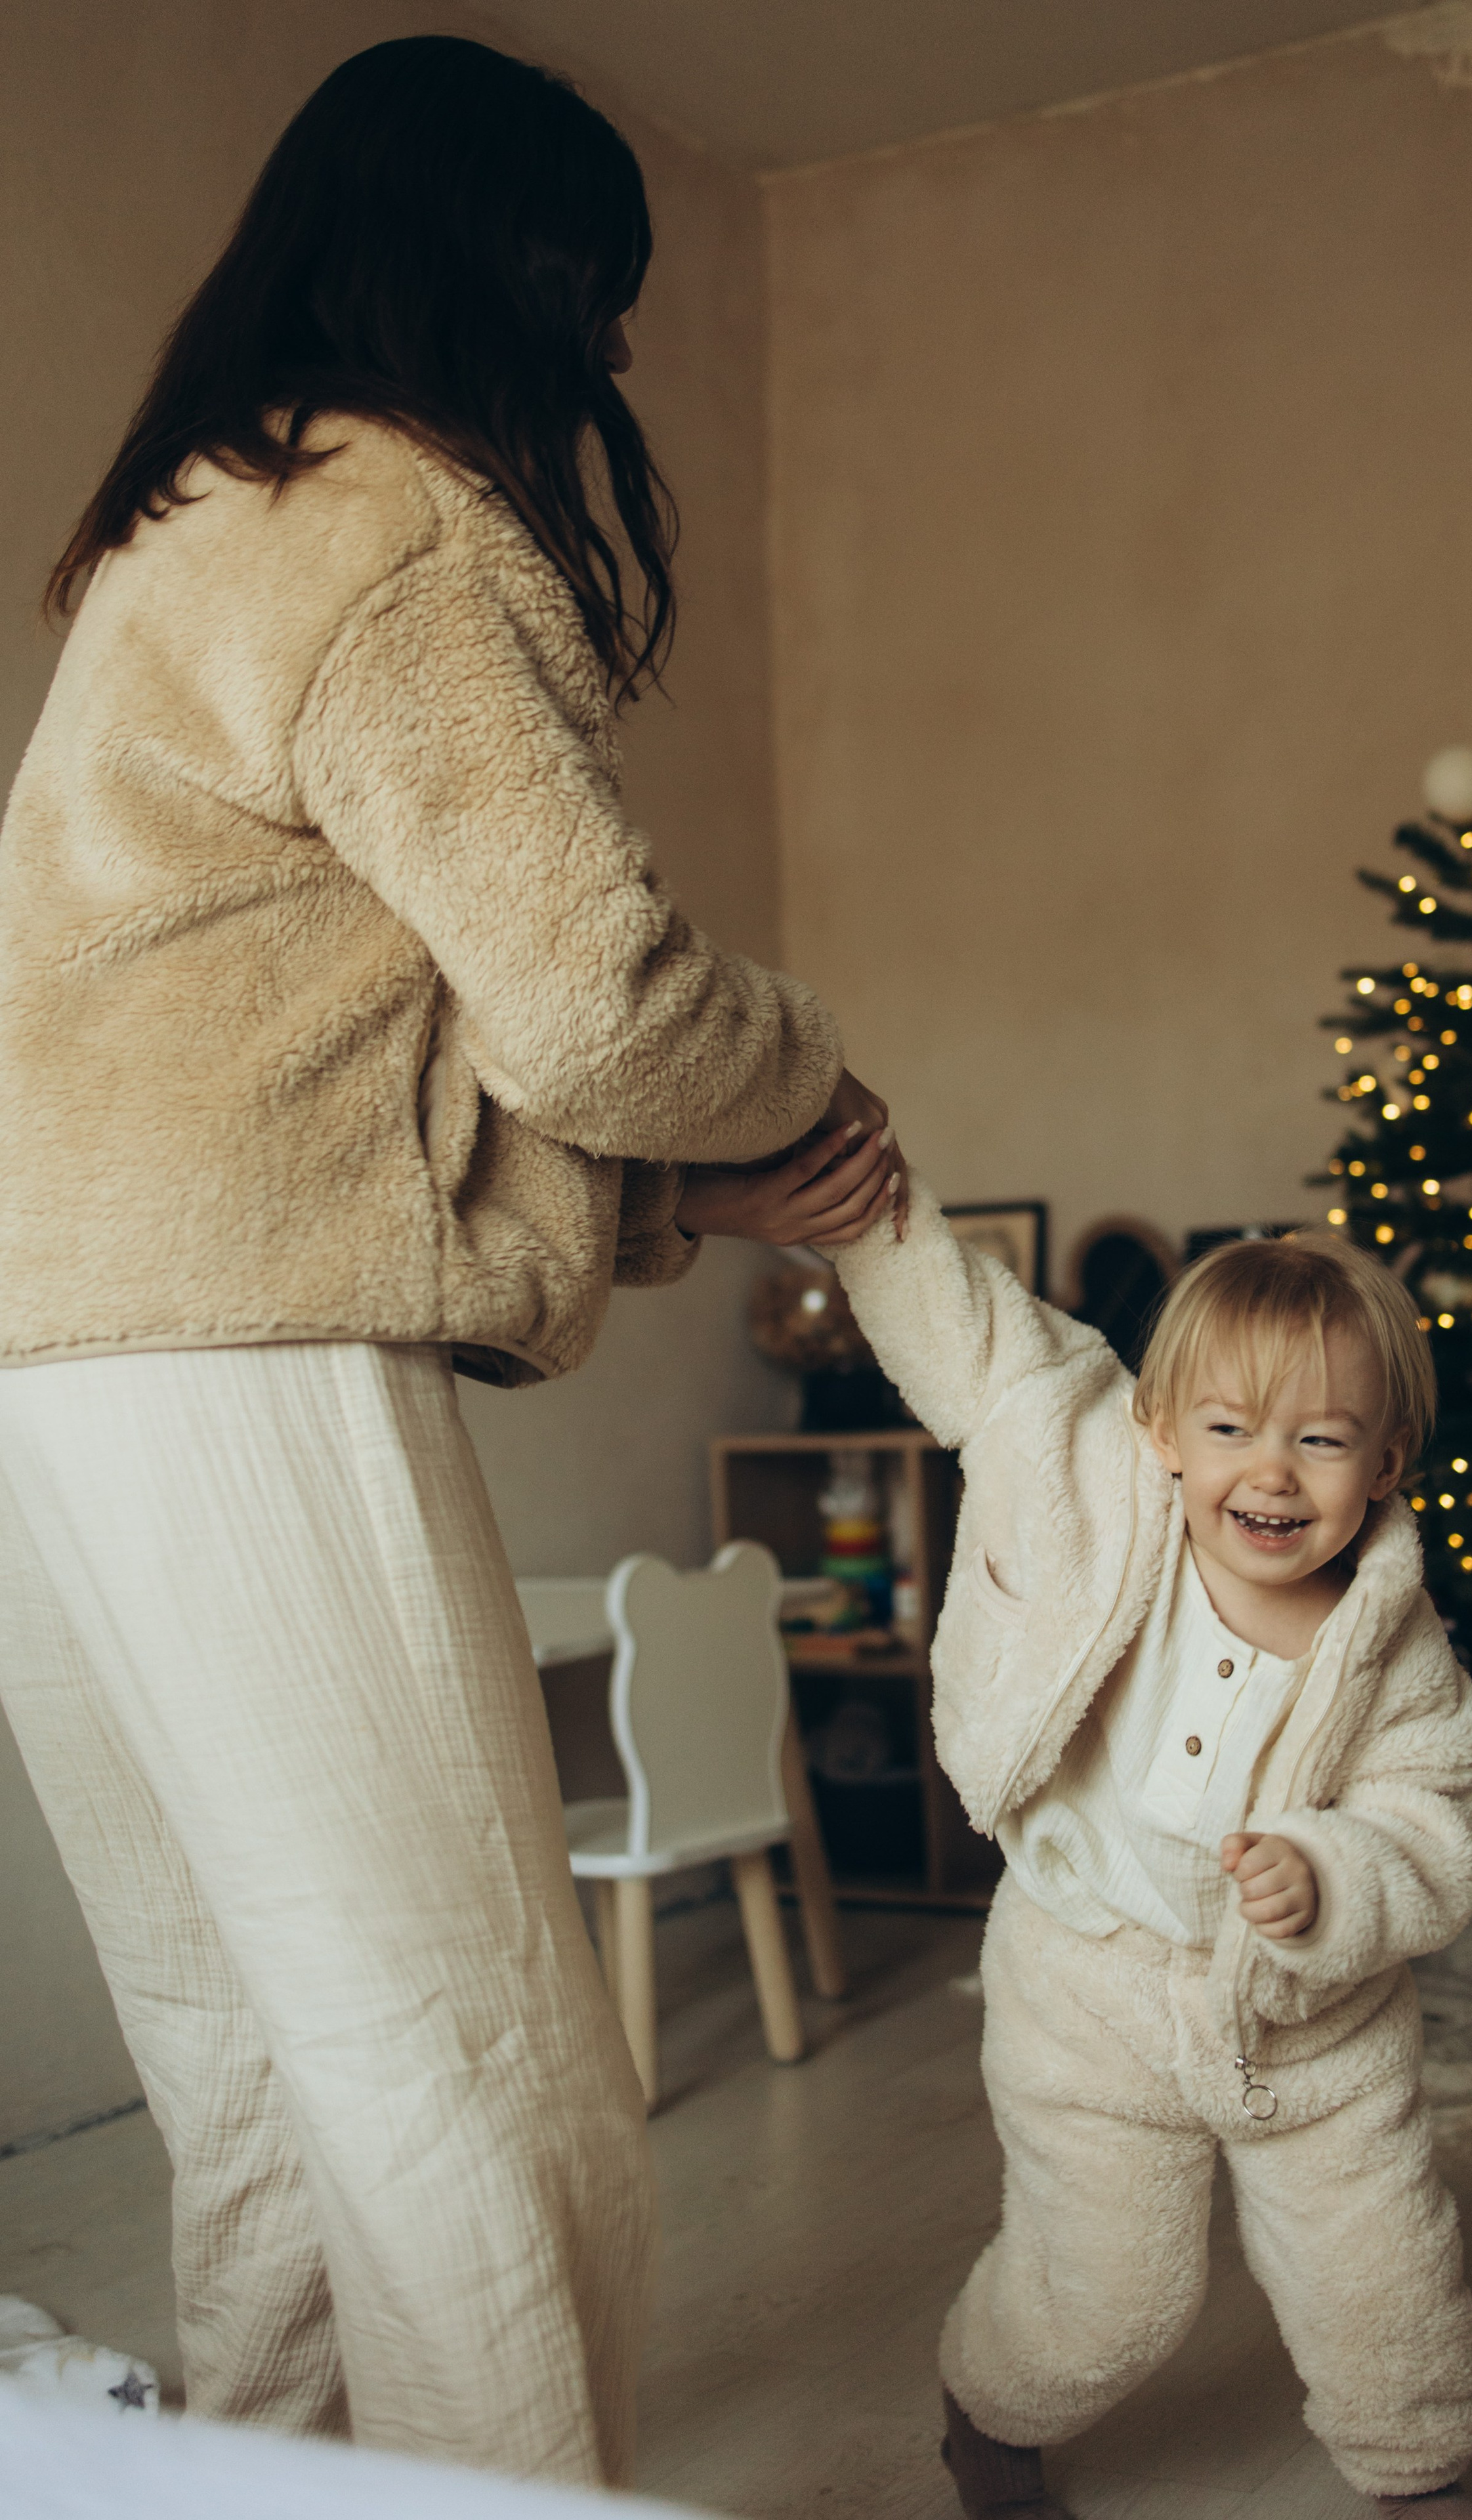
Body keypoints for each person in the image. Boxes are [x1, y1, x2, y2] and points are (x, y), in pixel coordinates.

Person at [0, 34, 898, 2490]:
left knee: (263, 2064)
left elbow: (298, 1067)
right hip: (242, 1362)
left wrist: (687, 1196)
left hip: (53, 1362)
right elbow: (603, 1006)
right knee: (471, 2056)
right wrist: (805, 1080)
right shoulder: (388, 528)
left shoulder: (194, 526)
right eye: (590, 297)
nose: (605, 356)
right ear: (490, 262)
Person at [828, 1179, 1472, 2519]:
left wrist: (1329, 1875)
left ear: (1383, 1466)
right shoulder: (1097, 1493)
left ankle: (1419, 2475)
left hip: (1311, 2020)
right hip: (1085, 1986)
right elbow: (981, 1344)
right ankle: (993, 2405)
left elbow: (1437, 1818)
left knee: (1380, 2269)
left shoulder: (1392, 1645)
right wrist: (857, 1212)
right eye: (1229, 1429)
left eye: (1320, 1440)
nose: (1270, 1472)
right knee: (1110, 2290)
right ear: (1161, 1435)